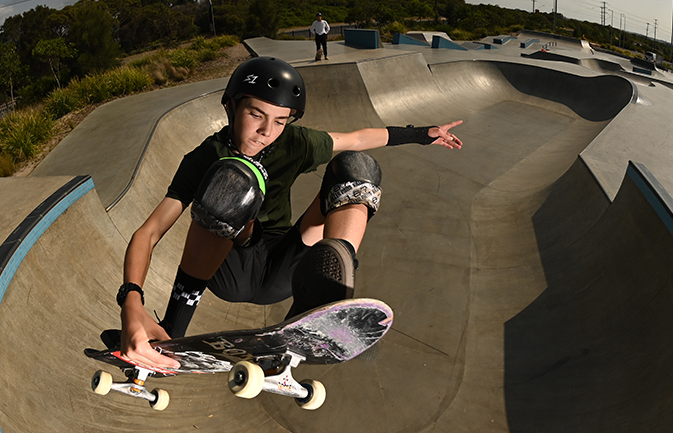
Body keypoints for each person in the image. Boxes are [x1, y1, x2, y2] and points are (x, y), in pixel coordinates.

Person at [117, 56, 463, 370]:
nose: (267, 132)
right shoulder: (204, 156)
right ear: (231, 107)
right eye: (256, 115)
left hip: (282, 268)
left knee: (357, 166)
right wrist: (131, 303)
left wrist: (422, 134)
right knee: (231, 179)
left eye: (280, 121)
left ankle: (326, 292)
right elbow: (148, 233)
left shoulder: (294, 142)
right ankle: (170, 332)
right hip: (229, 268)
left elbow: (356, 139)